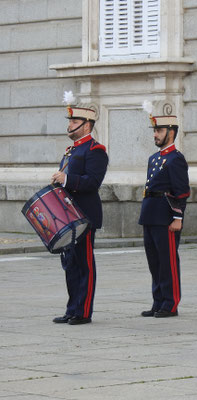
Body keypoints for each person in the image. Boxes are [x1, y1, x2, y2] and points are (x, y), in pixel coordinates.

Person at [51, 91, 108, 325]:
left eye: (75, 122)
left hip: (84, 215)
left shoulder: (95, 150)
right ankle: (72, 308)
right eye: (70, 121)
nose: (71, 125)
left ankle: (83, 311)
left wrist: (65, 180)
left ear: (87, 125)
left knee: (84, 264)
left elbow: (92, 182)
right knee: (70, 264)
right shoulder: (71, 150)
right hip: (69, 216)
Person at [139, 103, 190, 318]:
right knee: (154, 261)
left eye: (159, 131)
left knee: (167, 261)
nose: (156, 135)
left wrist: (177, 217)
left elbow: (181, 191)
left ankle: (170, 303)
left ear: (171, 132)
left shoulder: (176, 159)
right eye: (155, 131)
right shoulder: (154, 158)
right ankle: (158, 300)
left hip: (166, 216)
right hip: (150, 213)